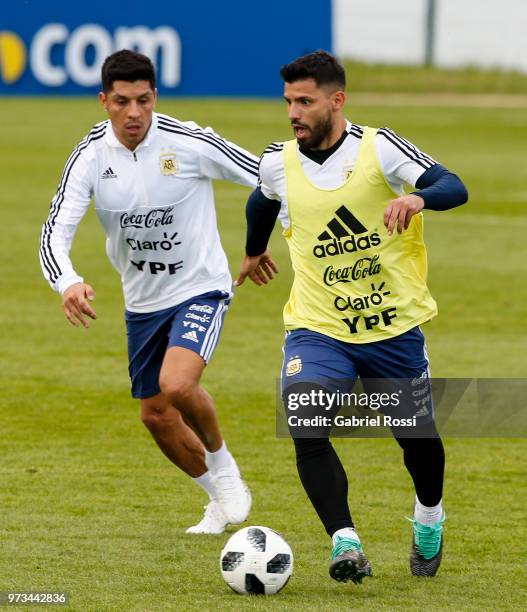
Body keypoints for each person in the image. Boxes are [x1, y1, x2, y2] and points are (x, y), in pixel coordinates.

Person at [236, 50, 468, 582]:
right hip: (318, 329)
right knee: (305, 420)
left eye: (306, 101)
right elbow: (262, 199)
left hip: (392, 329)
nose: (294, 111)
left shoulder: (379, 148)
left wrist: (417, 200)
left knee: (418, 442)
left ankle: (429, 517)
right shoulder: (278, 160)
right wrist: (253, 249)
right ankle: (345, 541)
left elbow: (454, 184)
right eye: (289, 101)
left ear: (336, 101)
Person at [39, 49, 257, 535]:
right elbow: (55, 230)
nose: (133, 113)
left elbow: (265, 177)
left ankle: (224, 468)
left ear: (154, 96)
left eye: (143, 100)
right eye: (121, 101)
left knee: (177, 385)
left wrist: (260, 243)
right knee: (156, 415)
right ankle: (216, 499)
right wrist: (67, 280)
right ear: (104, 101)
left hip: (200, 286)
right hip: (143, 300)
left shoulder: (190, 141)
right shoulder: (91, 156)